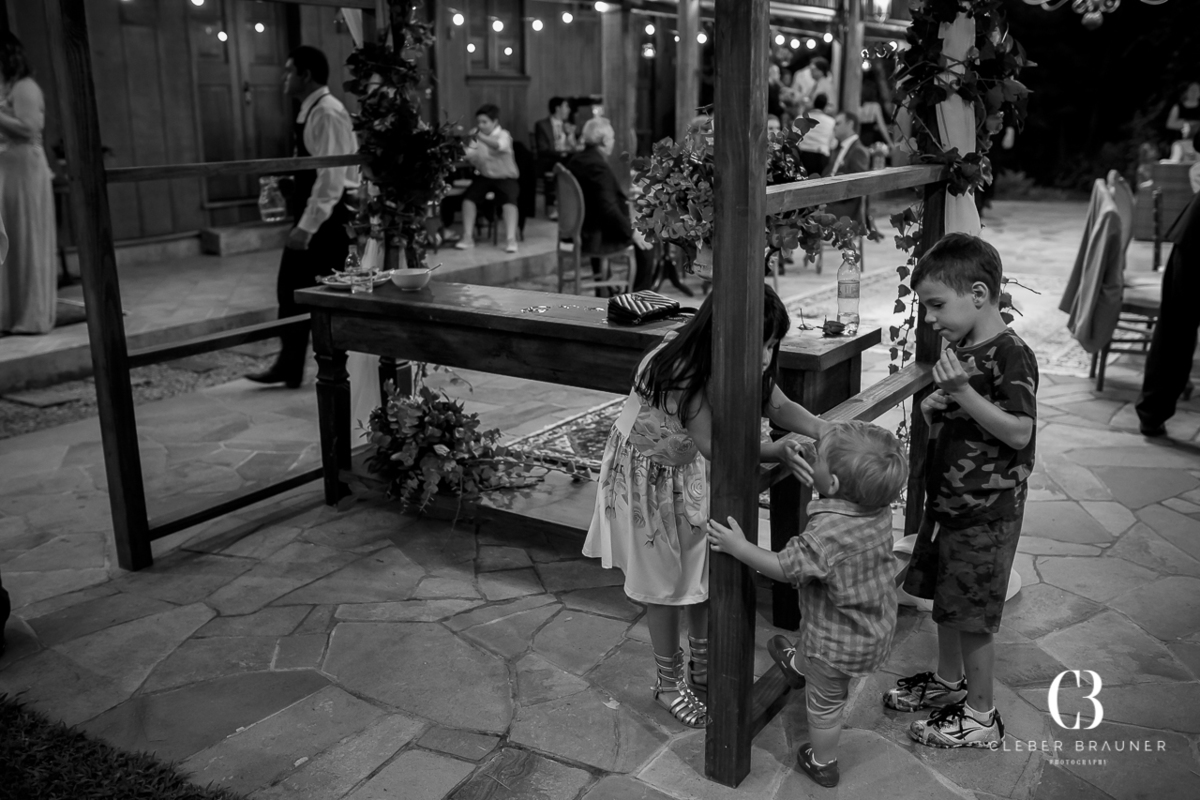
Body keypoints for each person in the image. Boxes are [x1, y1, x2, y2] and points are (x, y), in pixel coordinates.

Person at [583, 285, 831, 729]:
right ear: (726, 333)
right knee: (663, 583)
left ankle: (703, 665)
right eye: (760, 344)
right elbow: (717, 445)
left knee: (701, 568)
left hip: (685, 471)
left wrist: (823, 429)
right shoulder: (682, 371)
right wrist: (776, 450)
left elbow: (776, 403)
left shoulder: (731, 355)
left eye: (772, 345)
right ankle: (668, 683)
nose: (765, 357)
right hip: (646, 479)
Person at [884, 233, 1038, 750]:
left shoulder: (1011, 354)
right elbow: (970, 422)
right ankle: (949, 681)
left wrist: (961, 392)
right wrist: (937, 412)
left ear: (977, 293)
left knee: (972, 616)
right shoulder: (962, 350)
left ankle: (980, 716)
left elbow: (1018, 432)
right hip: (950, 504)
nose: (929, 318)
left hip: (987, 512)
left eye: (935, 305)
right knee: (947, 602)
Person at [707, 421, 907, 788]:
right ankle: (798, 666)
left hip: (836, 646)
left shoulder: (825, 538)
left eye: (820, 461)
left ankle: (823, 762)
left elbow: (784, 568)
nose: (814, 460)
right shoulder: (876, 510)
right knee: (817, 629)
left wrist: (740, 547)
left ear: (833, 484)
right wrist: (822, 466)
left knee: (825, 706)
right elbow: (839, 492)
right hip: (870, 626)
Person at [247, 46, 359, 388]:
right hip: (318, 215)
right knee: (292, 291)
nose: (283, 77)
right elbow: (315, 167)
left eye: (289, 71)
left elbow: (332, 177)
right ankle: (290, 364)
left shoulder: (327, 112)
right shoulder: (311, 110)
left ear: (305, 75)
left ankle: (329, 370)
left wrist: (307, 227)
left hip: (328, 219)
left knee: (320, 294)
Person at [0, 32, 56, 336]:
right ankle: (9, 313)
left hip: (25, 169)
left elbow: (29, 127)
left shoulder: (25, 87)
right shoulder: (6, 87)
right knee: (10, 239)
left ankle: (31, 314)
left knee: (26, 236)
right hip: (7, 170)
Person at [1135, 190, 1200, 436]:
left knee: (1176, 328)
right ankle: (1152, 415)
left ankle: (1152, 415)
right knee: (1176, 328)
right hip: (1195, 235)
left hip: (1193, 232)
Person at [564, 117, 653, 296]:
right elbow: (608, 208)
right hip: (594, 235)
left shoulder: (575, 160)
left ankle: (605, 288)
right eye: (612, 138)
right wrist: (632, 232)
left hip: (579, 228)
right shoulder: (598, 167)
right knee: (647, 240)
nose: (613, 142)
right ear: (604, 141)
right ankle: (639, 296)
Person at [455, 104, 521, 254]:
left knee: (509, 201)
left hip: (505, 177)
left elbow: (499, 146)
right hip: (485, 177)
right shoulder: (476, 137)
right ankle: (467, 237)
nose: (480, 125)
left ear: (495, 121)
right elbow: (469, 154)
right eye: (479, 122)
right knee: (468, 199)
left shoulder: (504, 135)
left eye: (484, 122)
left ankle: (511, 239)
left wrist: (479, 137)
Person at [823, 111, 870, 221]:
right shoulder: (838, 148)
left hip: (843, 206)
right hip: (827, 198)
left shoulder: (858, 150)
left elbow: (857, 186)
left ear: (850, 124)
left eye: (838, 123)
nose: (834, 128)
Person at [533, 96, 575, 220]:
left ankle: (570, 206)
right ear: (558, 108)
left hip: (566, 159)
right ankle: (555, 207)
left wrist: (570, 135)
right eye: (566, 106)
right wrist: (561, 153)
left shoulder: (568, 125)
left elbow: (574, 147)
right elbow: (542, 148)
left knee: (576, 164)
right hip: (549, 160)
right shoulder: (542, 125)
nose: (569, 110)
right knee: (563, 167)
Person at [798, 94, 836, 177]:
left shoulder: (800, 118)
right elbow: (833, 143)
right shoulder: (831, 121)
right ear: (825, 106)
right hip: (821, 156)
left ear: (813, 103)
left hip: (802, 155)